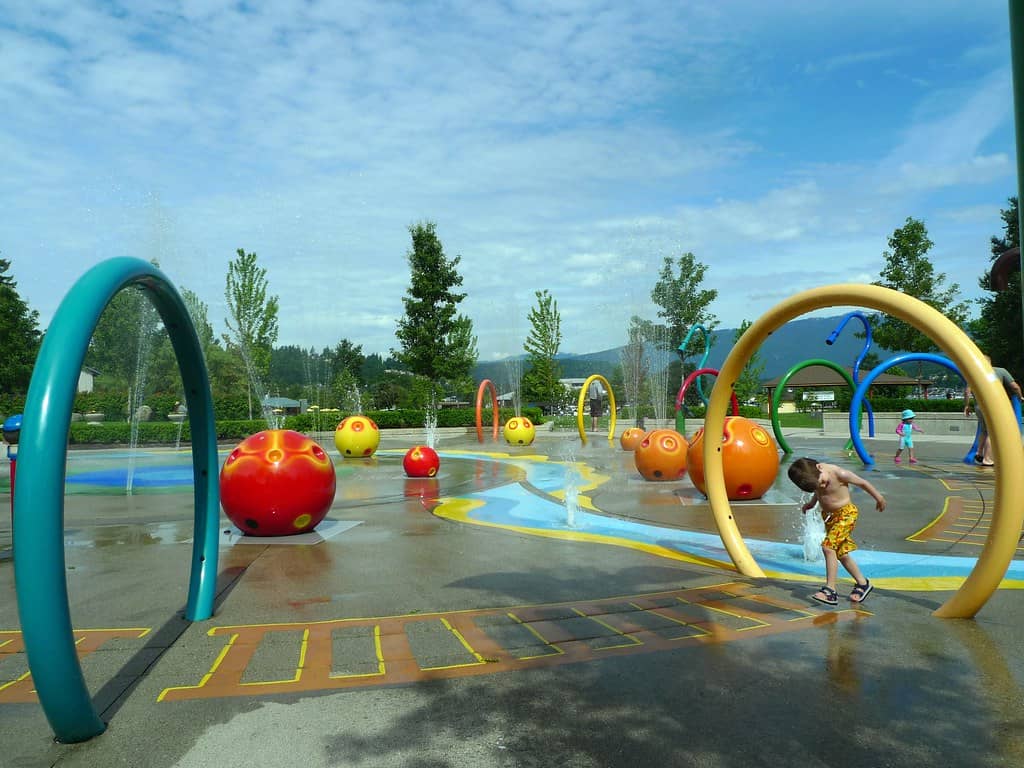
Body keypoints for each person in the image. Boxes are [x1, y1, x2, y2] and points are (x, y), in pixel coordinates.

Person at [787, 457, 886, 606]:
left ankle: (830, 590)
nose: (822, 486)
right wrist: (812, 503)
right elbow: (818, 491)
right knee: (841, 554)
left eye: (822, 482)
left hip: (846, 514)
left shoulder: (839, 473)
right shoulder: (816, 477)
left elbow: (863, 483)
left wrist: (879, 498)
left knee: (827, 547)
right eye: (817, 486)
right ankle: (862, 583)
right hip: (830, 517)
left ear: (819, 467)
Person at [963, 357, 1022, 467]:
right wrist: (1020, 397)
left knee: (984, 430)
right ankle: (988, 459)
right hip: (993, 407)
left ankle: (979, 453)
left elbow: (967, 392)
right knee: (992, 432)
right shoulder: (1000, 371)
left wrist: (967, 406)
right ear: (990, 362)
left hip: (978, 406)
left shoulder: (973, 373)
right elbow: (1015, 387)